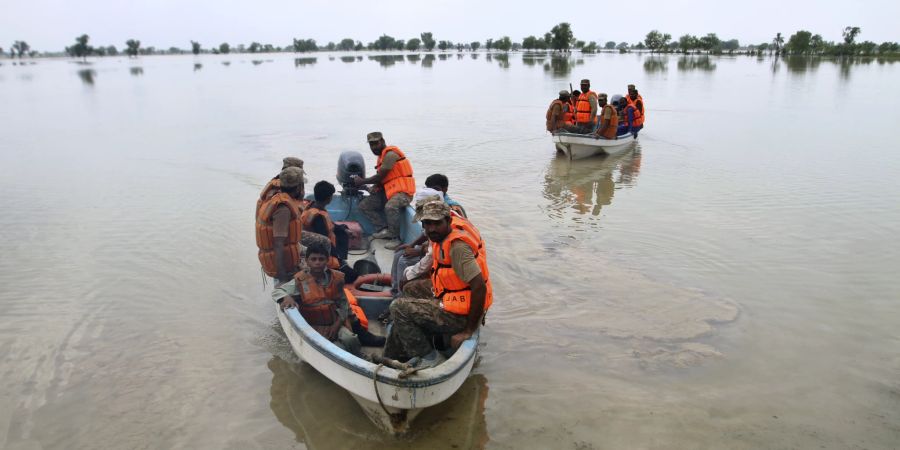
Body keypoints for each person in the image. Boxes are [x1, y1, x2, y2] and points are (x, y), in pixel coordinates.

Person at [383, 201, 492, 369]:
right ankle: (395, 353)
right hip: (450, 296)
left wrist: (468, 330)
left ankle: (429, 357)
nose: (431, 228)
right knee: (410, 288)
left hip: (463, 314)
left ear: (448, 221)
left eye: (437, 223)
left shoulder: (458, 248)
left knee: (398, 307)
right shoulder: (439, 237)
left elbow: (479, 287)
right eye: (427, 224)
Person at [271, 242, 362, 355]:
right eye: (313, 259)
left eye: (321, 259)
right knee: (339, 349)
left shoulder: (336, 278)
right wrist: (286, 297)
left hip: (333, 323)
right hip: (312, 326)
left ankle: (361, 357)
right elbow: (277, 291)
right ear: (307, 261)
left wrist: (337, 324)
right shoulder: (300, 280)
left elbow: (343, 304)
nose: (317, 263)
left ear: (327, 260)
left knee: (351, 339)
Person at [352, 131, 415, 250]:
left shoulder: (390, 155)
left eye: (376, 143)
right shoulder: (381, 157)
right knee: (364, 205)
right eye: (371, 144)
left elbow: (380, 176)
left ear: (383, 141)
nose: (374, 147)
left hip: (404, 193)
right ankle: (383, 229)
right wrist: (370, 188)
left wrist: (362, 181)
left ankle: (395, 238)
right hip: (389, 192)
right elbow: (381, 181)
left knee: (390, 207)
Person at [256, 167, 305, 284]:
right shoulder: (283, 209)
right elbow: (278, 244)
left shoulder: (275, 197)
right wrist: (282, 277)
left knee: (318, 251)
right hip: (282, 265)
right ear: (298, 187)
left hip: (286, 251)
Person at [301, 180, 356, 279]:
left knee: (343, 229)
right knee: (353, 276)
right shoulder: (318, 218)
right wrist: (338, 260)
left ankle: (340, 261)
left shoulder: (312, 207)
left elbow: (330, 224)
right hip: (321, 252)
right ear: (329, 198)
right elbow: (325, 242)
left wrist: (345, 230)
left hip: (314, 246)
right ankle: (337, 265)